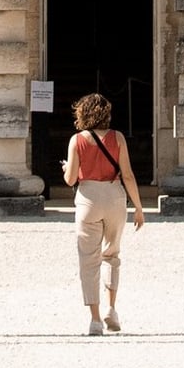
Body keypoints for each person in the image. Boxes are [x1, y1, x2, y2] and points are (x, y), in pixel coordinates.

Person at [61, 91, 145, 335]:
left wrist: (68, 168)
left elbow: (70, 180)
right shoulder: (118, 137)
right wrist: (138, 207)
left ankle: (95, 319)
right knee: (112, 254)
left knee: (88, 259)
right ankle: (111, 308)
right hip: (115, 195)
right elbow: (127, 174)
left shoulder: (77, 140)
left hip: (88, 197)